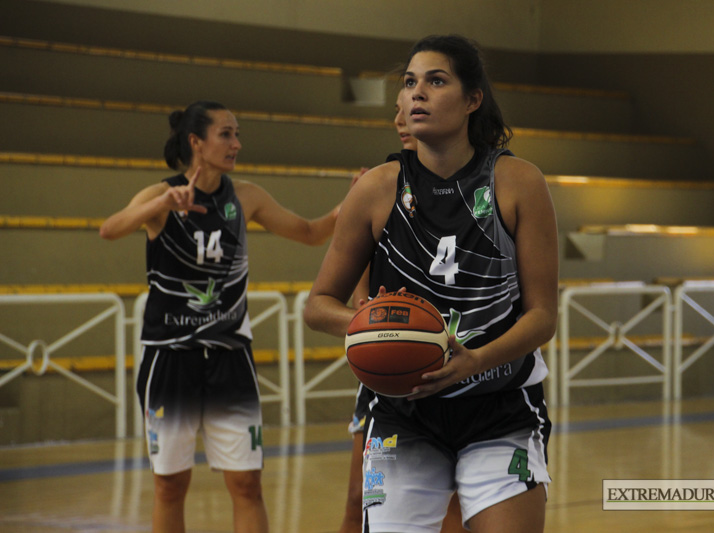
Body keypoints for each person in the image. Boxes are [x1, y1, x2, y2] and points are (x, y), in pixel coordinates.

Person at [304, 34, 558, 532]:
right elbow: (317, 305)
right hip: (403, 412)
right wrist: (374, 324)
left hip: (499, 406)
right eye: (409, 82)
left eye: (435, 81)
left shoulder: (519, 182)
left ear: (472, 100)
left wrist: (476, 360)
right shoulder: (376, 188)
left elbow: (542, 315)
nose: (417, 93)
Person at [100, 100, 345, 533]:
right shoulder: (159, 196)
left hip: (230, 357)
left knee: (248, 485)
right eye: (226, 134)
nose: (237, 143)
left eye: (237, 133)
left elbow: (309, 233)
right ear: (197, 142)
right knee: (170, 486)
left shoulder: (246, 196)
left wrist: (350, 204)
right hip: (169, 357)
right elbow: (110, 229)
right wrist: (158, 206)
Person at [341, 96, 467, 533]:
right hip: (390, 373)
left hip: (460, 368)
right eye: (396, 108)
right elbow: (354, 289)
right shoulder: (378, 187)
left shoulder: (477, 190)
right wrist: (371, 315)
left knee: (453, 501)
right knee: (361, 496)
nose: (400, 119)